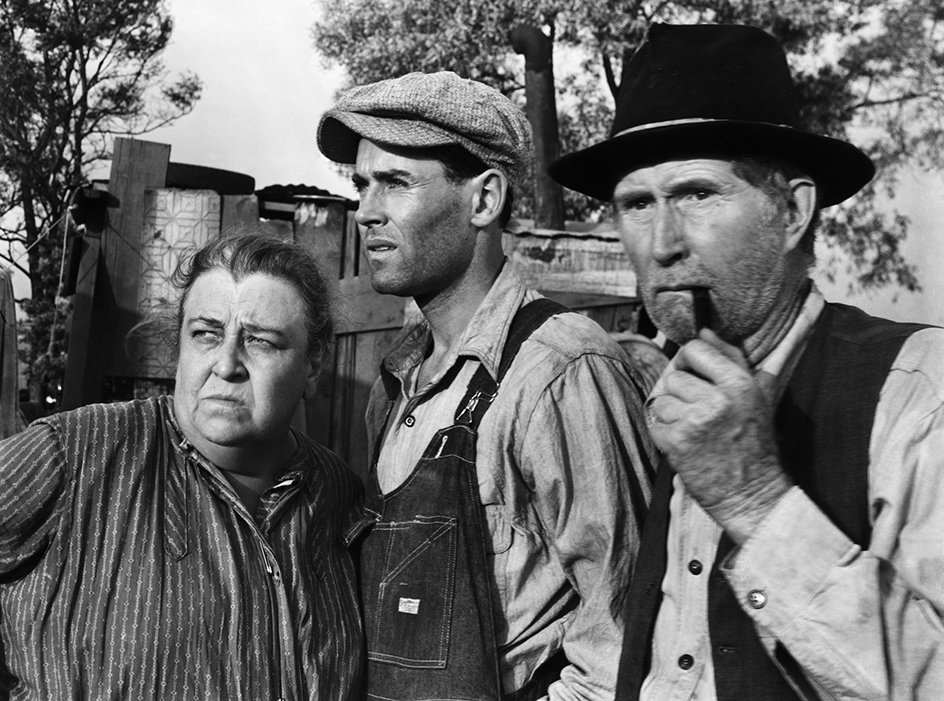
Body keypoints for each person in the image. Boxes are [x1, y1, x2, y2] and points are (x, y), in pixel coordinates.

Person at [549, 22, 944, 701]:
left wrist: (754, 499)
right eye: (637, 204)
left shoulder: (917, 391)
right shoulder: (669, 384)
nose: (663, 243)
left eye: (697, 194)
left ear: (792, 212)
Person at [316, 71, 657, 700]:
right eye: (363, 184)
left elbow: (624, 639)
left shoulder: (559, 370)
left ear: (484, 199)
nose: (365, 211)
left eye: (396, 183)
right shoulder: (395, 385)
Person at [0, 232, 364, 699]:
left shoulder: (340, 497)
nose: (226, 363)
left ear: (314, 365)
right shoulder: (77, 454)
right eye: (206, 334)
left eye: (261, 341)